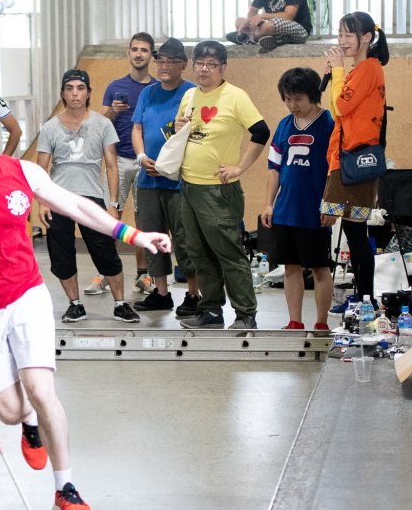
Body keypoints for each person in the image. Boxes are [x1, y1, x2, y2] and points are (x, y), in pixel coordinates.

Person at [0, 107, 171, 510]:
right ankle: (28, 421)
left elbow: (78, 207)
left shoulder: (23, 173)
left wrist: (134, 235)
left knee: (42, 389)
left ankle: (65, 489)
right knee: (10, 411)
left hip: (26, 295)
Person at [175, 40, 270, 330]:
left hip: (219, 190)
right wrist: (177, 128)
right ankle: (211, 311)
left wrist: (239, 167)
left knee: (228, 252)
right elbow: (182, 131)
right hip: (189, 186)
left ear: (223, 68)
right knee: (198, 252)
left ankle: (245, 314)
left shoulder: (235, 96)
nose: (204, 69)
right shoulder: (190, 95)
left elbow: (261, 131)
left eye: (211, 64)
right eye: (199, 63)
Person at [37, 69, 139, 324]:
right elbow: (41, 170)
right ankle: (75, 304)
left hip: (92, 197)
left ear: (88, 93)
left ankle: (120, 304)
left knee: (105, 251)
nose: (75, 93)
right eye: (69, 88)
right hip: (58, 198)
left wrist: (113, 204)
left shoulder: (103, 124)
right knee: (61, 254)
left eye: (80, 88)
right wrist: (42, 202)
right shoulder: (50, 127)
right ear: (63, 93)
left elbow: (112, 166)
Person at [320, 11, 389, 314]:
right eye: (340, 34)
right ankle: (362, 298)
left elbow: (340, 105)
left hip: (356, 161)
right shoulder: (356, 70)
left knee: (355, 232)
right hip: (344, 158)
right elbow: (337, 110)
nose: (342, 40)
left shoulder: (369, 68)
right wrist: (338, 73)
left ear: (367, 37)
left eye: (349, 34)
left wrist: (337, 70)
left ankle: (365, 300)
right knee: (351, 231)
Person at [130, 37, 201, 316]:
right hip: (149, 179)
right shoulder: (148, 93)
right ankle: (161, 293)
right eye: (160, 61)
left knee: (185, 239)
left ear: (183, 65)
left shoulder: (192, 93)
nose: (164, 66)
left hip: (179, 181)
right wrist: (141, 157)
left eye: (171, 61)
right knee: (152, 237)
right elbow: (137, 128)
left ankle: (194, 294)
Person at [262, 68, 335, 330]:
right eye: (287, 99)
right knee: (290, 267)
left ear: (313, 95)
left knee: (319, 268)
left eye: (298, 99)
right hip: (285, 211)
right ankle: (295, 321)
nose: (292, 105)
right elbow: (274, 169)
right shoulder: (284, 125)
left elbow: (336, 170)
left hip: (314, 211)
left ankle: (321, 323)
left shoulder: (329, 124)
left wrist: (331, 206)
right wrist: (269, 204)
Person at [85, 31, 157, 297]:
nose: (139, 54)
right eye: (135, 49)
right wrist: (113, 111)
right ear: (128, 53)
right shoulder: (115, 86)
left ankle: (144, 275)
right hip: (118, 161)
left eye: (144, 50)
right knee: (109, 219)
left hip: (146, 163)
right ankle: (105, 275)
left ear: (151, 55)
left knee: (143, 220)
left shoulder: (157, 89)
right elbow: (99, 125)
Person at [228, 0, 312, 54]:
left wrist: (261, 16)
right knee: (239, 21)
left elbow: (288, 16)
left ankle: (247, 38)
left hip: (300, 29)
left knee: (269, 25)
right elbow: (252, 11)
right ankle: (276, 39)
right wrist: (249, 22)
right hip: (275, 29)